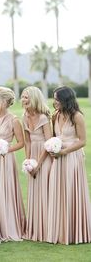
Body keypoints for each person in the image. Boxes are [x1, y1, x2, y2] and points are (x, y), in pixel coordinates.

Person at [47, 86, 91, 244]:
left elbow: (82, 141)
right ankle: (60, 232)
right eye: (54, 99)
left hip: (72, 158)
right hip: (58, 159)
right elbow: (54, 137)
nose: (55, 102)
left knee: (71, 191)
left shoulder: (77, 116)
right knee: (58, 191)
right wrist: (53, 148)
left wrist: (64, 152)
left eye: (57, 99)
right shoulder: (55, 116)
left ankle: (74, 232)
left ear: (66, 99)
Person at [0, 86, 26, 241]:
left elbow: (21, 143)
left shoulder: (14, 120)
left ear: (3, 101)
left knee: (4, 190)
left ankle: (7, 225)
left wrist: (6, 149)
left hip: (5, 159)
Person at [21, 86, 52, 241]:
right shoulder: (24, 117)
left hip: (44, 157)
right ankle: (35, 229)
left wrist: (38, 165)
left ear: (34, 98)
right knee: (33, 192)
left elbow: (49, 143)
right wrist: (29, 162)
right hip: (33, 155)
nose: (23, 100)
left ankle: (47, 230)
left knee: (44, 191)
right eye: (22, 97)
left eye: (26, 97)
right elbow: (27, 141)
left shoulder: (43, 118)